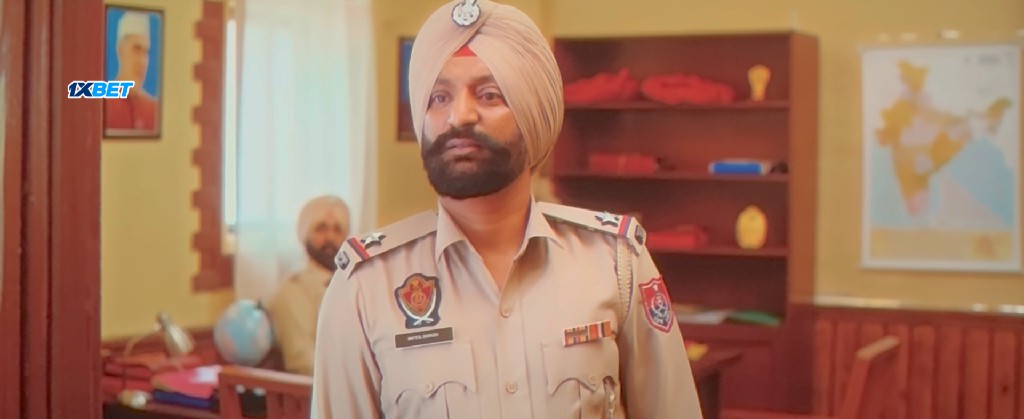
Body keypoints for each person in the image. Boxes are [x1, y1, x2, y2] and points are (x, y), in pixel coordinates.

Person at [311, 1, 703, 418]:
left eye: (488, 94)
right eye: (439, 97)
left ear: (532, 114)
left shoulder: (616, 264)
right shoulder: (365, 286)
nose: (459, 116)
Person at [266, 195, 349, 375]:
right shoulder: (293, 290)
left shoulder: (352, 282)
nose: (330, 237)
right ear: (305, 234)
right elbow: (302, 361)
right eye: (321, 229)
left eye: (337, 230)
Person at [105, 10, 159, 132]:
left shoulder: (154, 109)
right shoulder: (103, 103)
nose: (142, 62)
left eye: (145, 52)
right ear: (121, 50)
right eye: (136, 49)